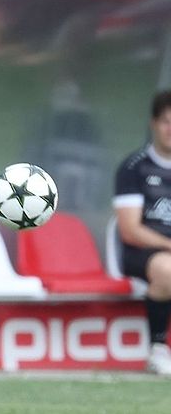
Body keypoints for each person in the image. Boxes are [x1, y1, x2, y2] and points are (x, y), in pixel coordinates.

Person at [114, 89, 171, 376]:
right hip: (141, 253)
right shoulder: (134, 168)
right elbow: (130, 230)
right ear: (153, 123)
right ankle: (158, 349)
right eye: (166, 121)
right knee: (168, 269)